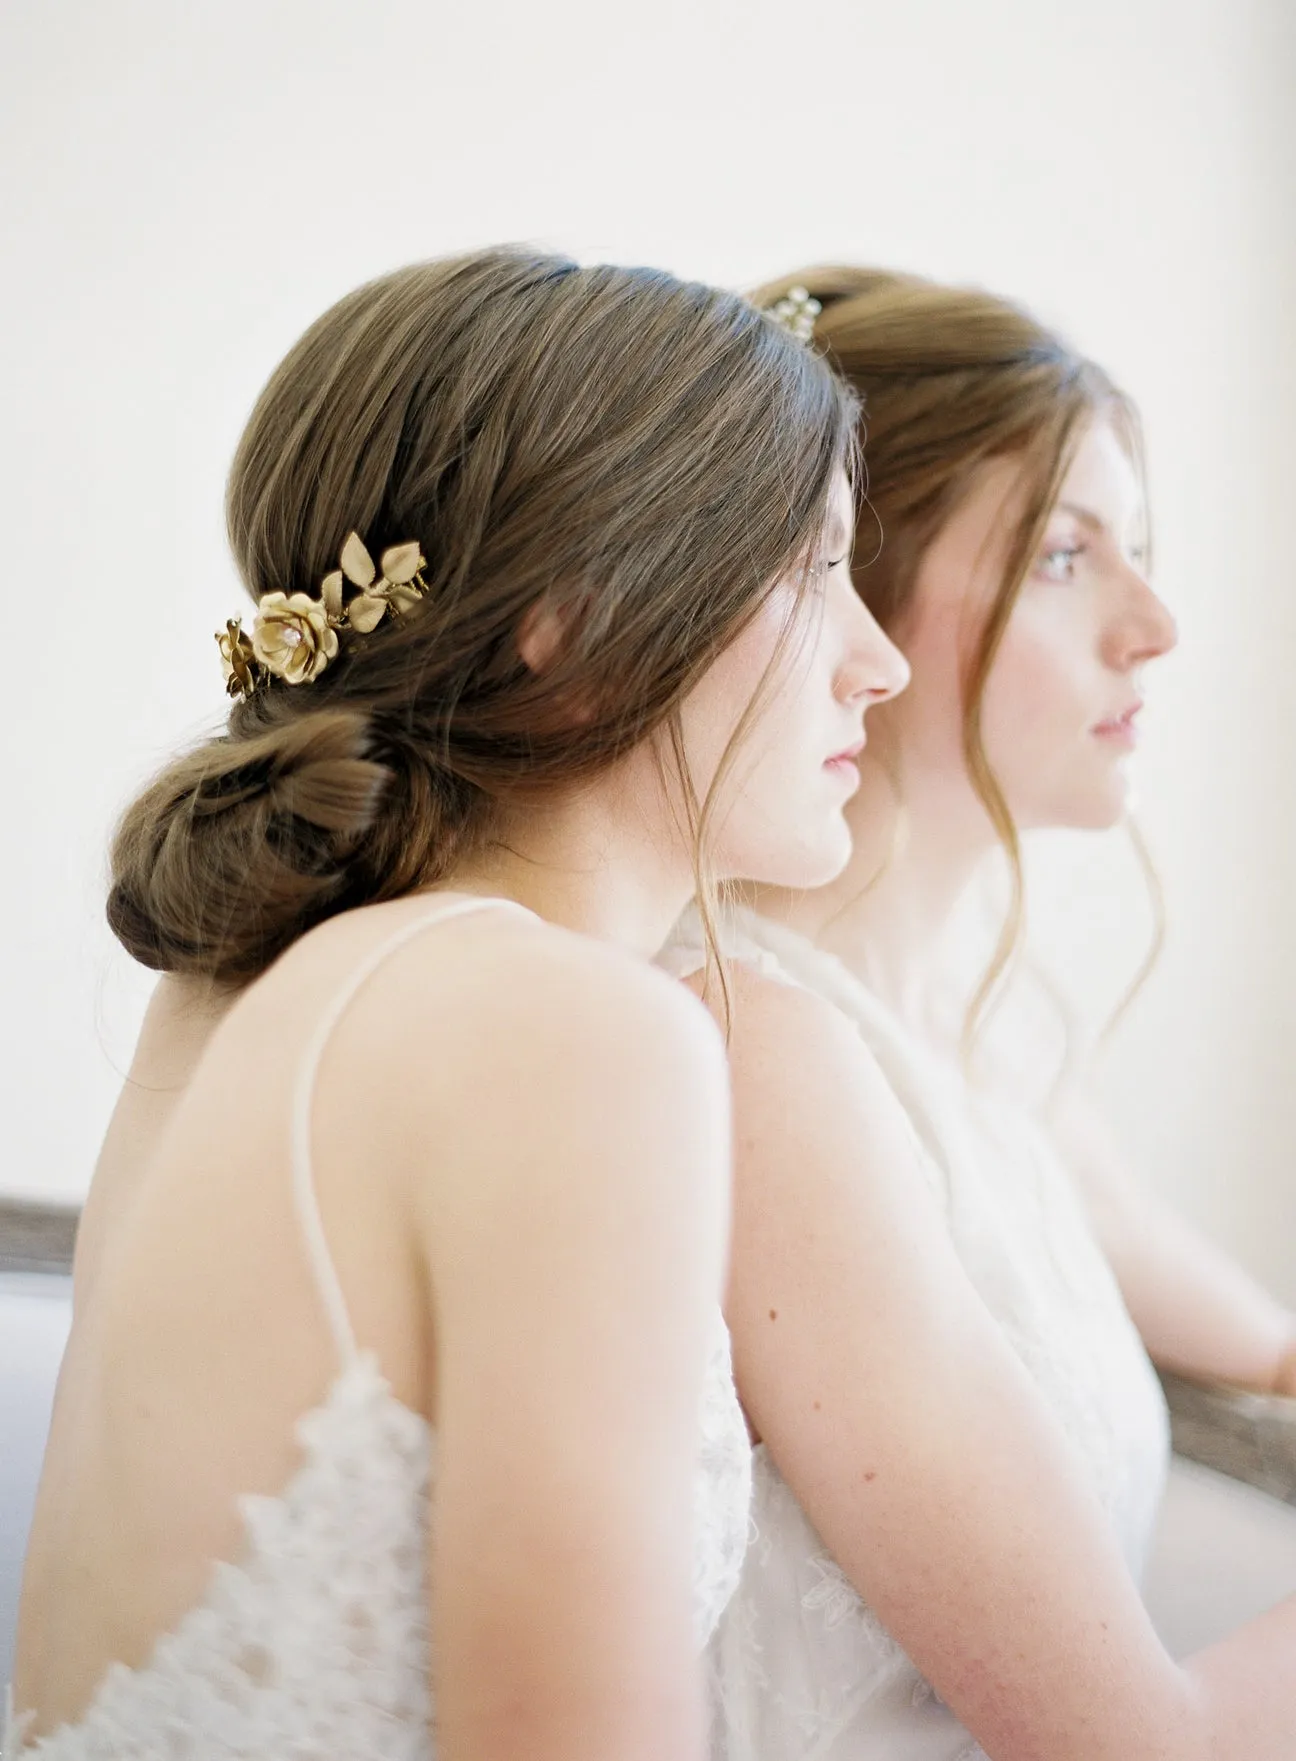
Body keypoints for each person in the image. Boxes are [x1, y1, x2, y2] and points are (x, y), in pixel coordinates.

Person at [6, 248, 908, 1761]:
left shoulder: (244, 987)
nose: (877, 663)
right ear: (572, 616)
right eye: (814, 569)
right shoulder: (576, 1041)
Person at [667, 267, 1296, 1760]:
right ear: (841, 589)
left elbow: (1262, 1345)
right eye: (1068, 556)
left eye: (1137, 552)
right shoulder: (757, 1057)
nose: (1156, 626)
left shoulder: (982, 1036)